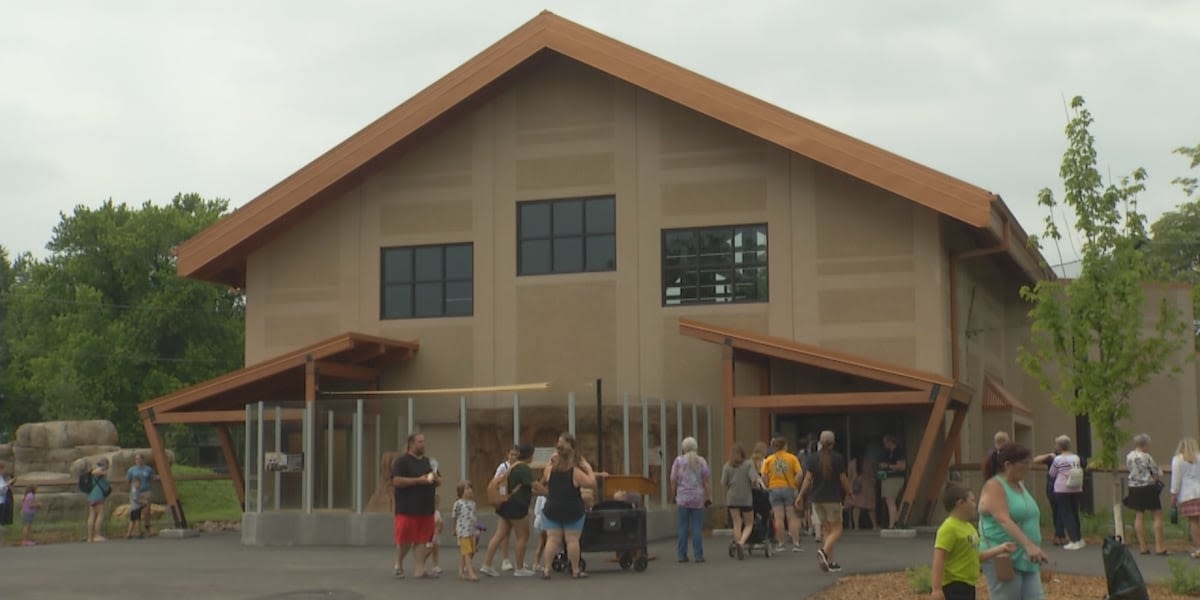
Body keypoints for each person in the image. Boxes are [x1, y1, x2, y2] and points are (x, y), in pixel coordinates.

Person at [978, 442, 1047, 599]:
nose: (1029, 467)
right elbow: (1003, 519)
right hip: (1004, 558)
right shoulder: (994, 485)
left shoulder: (1019, 485)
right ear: (1008, 465)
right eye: (1024, 463)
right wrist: (1028, 545)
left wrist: (1035, 547)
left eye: (1030, 462)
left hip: (1027, 559)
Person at [931, 482, 1017, 600]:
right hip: (954, 586)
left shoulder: (969, 527)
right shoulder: (948, 528)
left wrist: (1001, 548)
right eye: (972, 500)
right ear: (960, 503)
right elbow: (939, 559)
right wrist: (936, 589)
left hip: (969, 585)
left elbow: (976, 556)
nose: (975, 504)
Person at [539, 433, 601, 579]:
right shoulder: (575, 472)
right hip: (572, 509)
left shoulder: (549, 470)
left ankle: (546, 570)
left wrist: (552, 459)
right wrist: (589, 468)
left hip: (552, 508)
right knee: (572, 539)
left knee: (552, 539)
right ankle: (575, 570)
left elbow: (546, 471)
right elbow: (591, 483)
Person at [797, 431, 853, 573]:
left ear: (820, 443)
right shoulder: (838, 458)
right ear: (833, 443)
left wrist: (800, 495)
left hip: (817, 499)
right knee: (837, 529)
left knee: (827, 530)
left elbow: (808, 479)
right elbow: (843, 478)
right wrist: (849, 492)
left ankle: (830, 561)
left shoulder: (813, 458)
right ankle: (823, 550)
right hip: (833, 498)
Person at [390, 432, 441, 579]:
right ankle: (398, 563)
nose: (423, 444)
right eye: (420, 442)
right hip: (407, 508)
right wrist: (418, 480)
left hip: (426, 508)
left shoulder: (428, 462)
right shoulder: (402, 461)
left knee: (422, 539)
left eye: (424, 441)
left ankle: (420, 569)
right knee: (405, 540)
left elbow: (438, 480)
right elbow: (396, 481)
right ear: (411, 444)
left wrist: (436, 479)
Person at [481, 443, 537, 577]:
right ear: (529, 455)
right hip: (516, 506)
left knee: (500, 534)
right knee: (523, 536)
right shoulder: (523, 468)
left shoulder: (511, 467)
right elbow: (533, 485)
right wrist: (547, 492)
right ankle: (519, 567)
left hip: (505, 503)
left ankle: (487, 564)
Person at [671, 436, 712, 563]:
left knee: (683, 527)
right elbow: (706, 481)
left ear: (684, 447)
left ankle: (681, 555)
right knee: (696, 527)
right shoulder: (701, 461)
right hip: (697, 498)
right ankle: (698, 555)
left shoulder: (678, 461)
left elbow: (673, 479)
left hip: (683, 497)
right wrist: (708, 497)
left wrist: (673, 495)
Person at [1125, 433, 1166, 555]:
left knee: (1139, 514)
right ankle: (1159, 546)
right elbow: (1156, 471)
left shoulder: (1129, 456)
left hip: (1134, 486)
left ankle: (1143, 546)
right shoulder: (1146, 457)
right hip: (1148, 486)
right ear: (1144, 445)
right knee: (1157, 514)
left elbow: (1129, 469)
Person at [761, 435, 804, 552]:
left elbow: (764, 475)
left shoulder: (769, 459)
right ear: (785, 446)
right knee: (792, 517)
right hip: (789, 488)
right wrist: (795, 484)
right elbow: (800, 474)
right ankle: (796, 543)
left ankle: (781, 544)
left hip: (774, 488)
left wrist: (767, 485)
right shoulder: (792, 458)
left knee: (778, 517)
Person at [1046, 435, 1084, 550]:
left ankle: (1073, 540)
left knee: (1067, 514)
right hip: (1076, 487)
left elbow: (1052, 473)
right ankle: (1079, 538)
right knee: (1075, 512)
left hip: (1062, 488)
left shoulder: (1058, 459)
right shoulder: (1076, 457)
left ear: (1059, 446)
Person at [722, 443, 757, 559]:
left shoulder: (727, 466)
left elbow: (724, 482)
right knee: (749, 523)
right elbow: (754, 480)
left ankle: (738, 544)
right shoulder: (748, 464)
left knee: (737, 523)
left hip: (732, 497)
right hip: (746, 497)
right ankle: (742, 542)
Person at [1170, 437, 1200, 558]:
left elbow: (1176, 479)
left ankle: (1199, 546)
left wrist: (1173, 494)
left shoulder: (1178, 459)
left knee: (1193, 521)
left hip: (1188, 494)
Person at [492, 446, 519, 572]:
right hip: (504, 500)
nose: (514, 457)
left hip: (515, 500)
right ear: (508, 455)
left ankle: (520, 559)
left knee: (519, 532)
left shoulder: (519, 466)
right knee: (504, 532)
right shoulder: (503, 467)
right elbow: (495, 481)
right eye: (512, 454)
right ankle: (505, 559)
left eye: (516, 454)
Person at [1031, 448, 1063, 546]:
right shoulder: (1063, 459)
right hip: (1061, 488)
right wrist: (1049, 455)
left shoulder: (1053, 460)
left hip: (1053, 488)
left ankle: (1059, 535)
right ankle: (1059, 536)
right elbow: (1035, 460)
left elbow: (1036, 460)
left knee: (1057, 513)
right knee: (1060, 513)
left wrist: (1049, 455)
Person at [452, 481, 480, 581]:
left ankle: (461, 571)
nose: (470, 491)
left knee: (471, 551)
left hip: (471, 530)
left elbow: (473, 517)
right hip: (462, 531)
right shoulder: (458, 504)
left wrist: (476, 528)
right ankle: (470, 572)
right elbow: (454, 517)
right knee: (467, 552)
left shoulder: (473, 504)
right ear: (461, 492)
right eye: (467, 489)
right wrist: (454, 529)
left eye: (470, 488)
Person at [879, 434, 907, 529]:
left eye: (885, 443)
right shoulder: (888, 452)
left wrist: (887, 466)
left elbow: (902, 466)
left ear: (890, 442)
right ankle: (893, 522)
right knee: (889, 500)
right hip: (888, 478)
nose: (884, 445)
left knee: (891, 500)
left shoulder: (898, 451)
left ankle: (892, 524)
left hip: (896, 478)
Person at [126, 452, 155, 538]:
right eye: (136, 459)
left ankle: (147, 527)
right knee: (135, 511)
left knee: (146, 511)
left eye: (139, 459)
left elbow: (151, 479)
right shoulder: (131, 470)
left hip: (146, 491)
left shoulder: (148, 469)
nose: (137, 461)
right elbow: (128, 480)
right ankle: (134, 531)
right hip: (136, 492)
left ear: (143, 460)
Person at [86, 459, 112, 543]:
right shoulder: (100, 469)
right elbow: (94, 472)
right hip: (98, 495)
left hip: (91, 495)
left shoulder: (95, 471)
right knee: (100, 514)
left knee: (92, 515)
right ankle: (97, 535)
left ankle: (90, 537)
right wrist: (103, 472)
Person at [847, 456, 876, 530]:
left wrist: (849, 488)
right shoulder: (868, 463)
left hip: (855, 486)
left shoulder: (851, 463)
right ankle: (874, 525)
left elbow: (849, 476)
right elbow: (872, 475)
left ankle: (856, 526)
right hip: (867, 487)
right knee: (870, 507)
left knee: (856, 507)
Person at [531, 493, 548, 572]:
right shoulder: (546, 496)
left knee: (542, 542)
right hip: (545, 520)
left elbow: (537, 510)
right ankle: (546, 564)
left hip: (538, 520)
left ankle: (536, 562)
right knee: (547, 542)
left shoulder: (540, 496)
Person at [0, 461, 13, 545]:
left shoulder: (1, 477)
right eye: (3, 468)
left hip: (2, 500)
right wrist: (7, 484)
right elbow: (1, 490)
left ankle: (1, 541)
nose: (4, 470)